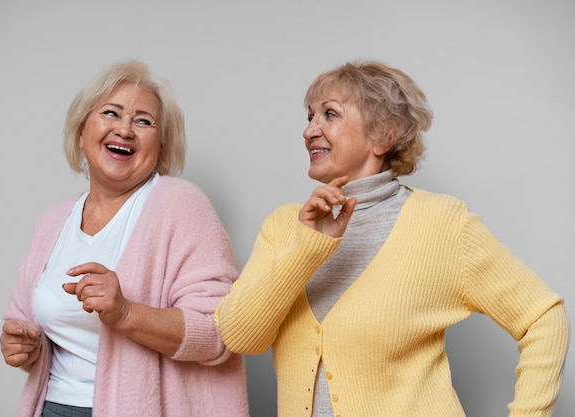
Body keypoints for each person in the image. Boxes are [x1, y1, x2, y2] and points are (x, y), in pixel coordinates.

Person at [215, 60, 570, 417]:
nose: (309, 131)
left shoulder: (443, 223)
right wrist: (307, 250)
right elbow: (241, 337)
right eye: (309, 117)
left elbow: (542, 317)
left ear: (384, 134)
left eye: (329, 114)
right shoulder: (283, 226)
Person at [0, 59, 249, 417]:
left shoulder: (181, 204)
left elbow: (221, 331)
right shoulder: (51, 222)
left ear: (160, 146)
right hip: (52, 407)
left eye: (143, 121)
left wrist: (126, 313)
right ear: (82, 133)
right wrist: (23, 345)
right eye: (111, 113)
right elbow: (24, 323)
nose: (125, 130)